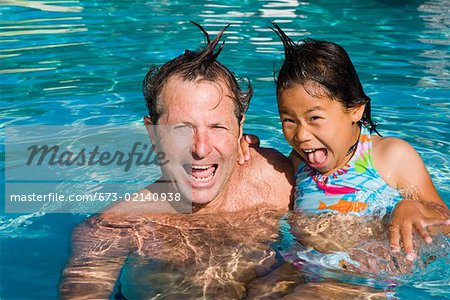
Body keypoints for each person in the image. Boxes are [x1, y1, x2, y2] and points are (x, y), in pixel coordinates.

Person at [59, 23, 295, 299]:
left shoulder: (277, 180)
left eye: (218, 127)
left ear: (240, 129)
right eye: (182, 129)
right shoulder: (115, 228)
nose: (201, 148)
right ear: (153, 133)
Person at [269, 23, 450, 275]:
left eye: (314, 118)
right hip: (303, 265)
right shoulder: (299, 163)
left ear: (355, 110)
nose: (300, 135)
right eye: (289, 120)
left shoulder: (391, 156)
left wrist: (414, 208)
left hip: (362, 277)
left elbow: (445, 221)